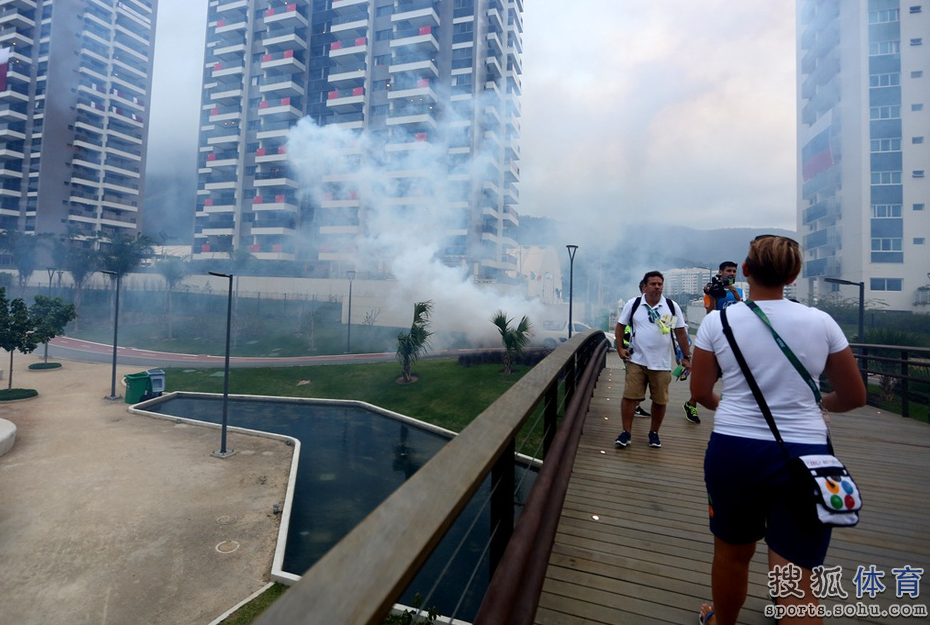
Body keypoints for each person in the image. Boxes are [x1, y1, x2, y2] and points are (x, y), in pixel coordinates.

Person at [689, 236, 866, 625]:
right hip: (807, 455)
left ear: (746, 271)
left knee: (732, 554)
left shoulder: (717, 322)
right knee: (794, 579)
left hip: (734, 452)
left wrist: (730, 408)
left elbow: (700, 392)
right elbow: (854, 395)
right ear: (793, 274)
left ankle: (722, 621)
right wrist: (821, 405)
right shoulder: (821, 322)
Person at [614, 271, 690, 449]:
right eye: (653, 284)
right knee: (629, 397)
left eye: (660, 284)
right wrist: (619, 348)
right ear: (644, 286)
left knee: (660, 400)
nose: (657, 287)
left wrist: (686, 357)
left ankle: (654, 433)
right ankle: (626, 432)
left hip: (661, 363)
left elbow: (680, 333)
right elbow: (620, 326)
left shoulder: (670, 306)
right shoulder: (634, 304)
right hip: (636, 360)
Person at [684, 262, 744, 424]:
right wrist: (712, 296)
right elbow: (710, 312)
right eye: (728, 271)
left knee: (732, 374)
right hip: (717, 336)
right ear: (721, 272)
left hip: (734, 337)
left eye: (734, 271)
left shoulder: (739, 291)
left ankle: (727, 405)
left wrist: (734, 293)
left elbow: (743, 310)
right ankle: (692, 404)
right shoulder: (713, 290)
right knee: (710, 375)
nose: (731, 274)